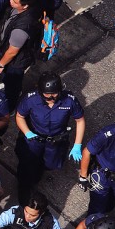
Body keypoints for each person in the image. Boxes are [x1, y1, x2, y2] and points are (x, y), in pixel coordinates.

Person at [14, 72, 85, 203]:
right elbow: (20, 116)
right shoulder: (31, 99)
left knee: (51, 164)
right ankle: (25, 186)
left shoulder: (69, 100)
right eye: (47, 96)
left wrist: (77, 145)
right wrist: (27, 132)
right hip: (35, 138)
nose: (51, 99)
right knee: (28, 164)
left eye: (54, 95)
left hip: (55, 140)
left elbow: (80, 120)